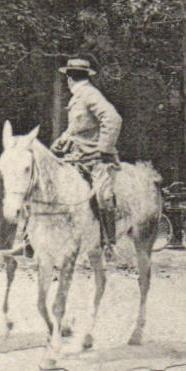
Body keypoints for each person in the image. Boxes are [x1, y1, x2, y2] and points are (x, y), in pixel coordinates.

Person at [51, 55, 122, 258]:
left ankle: (109, 242)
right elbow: (78, 126)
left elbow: (113, 119)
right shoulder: (78, 96)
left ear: (69, 78)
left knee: (102, 195)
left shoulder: (90, 94)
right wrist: (62, 140)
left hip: (94, 158)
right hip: (76, 157)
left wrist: (104, 149)